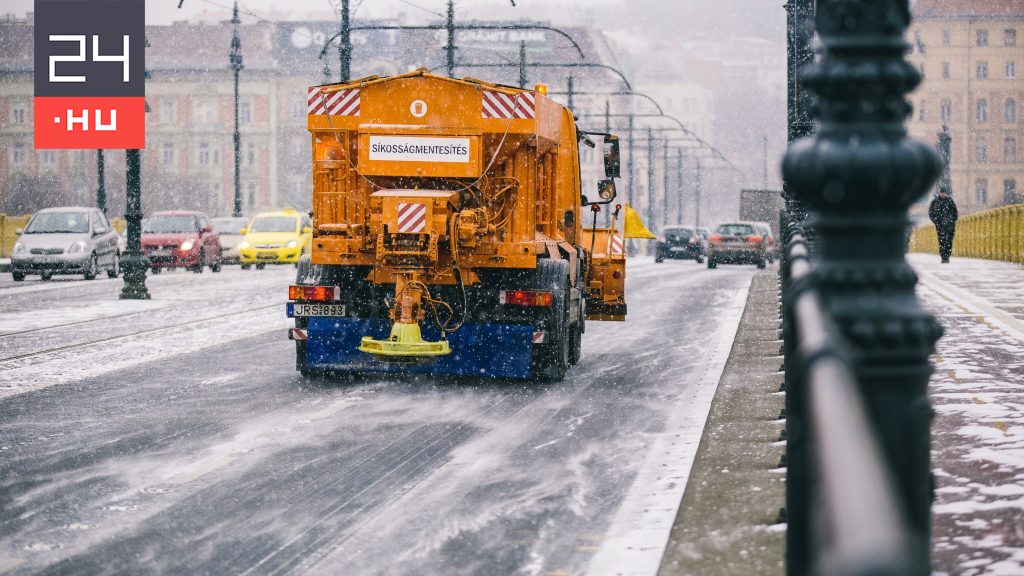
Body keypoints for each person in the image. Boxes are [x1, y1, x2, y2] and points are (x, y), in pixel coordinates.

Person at [928, 187, 958, 263]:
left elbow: (955, 212)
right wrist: (936, 221)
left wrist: (952, 221)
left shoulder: (950, 201)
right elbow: (930, 213)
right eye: (942, 192)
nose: (943, 194)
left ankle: (947, 256)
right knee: (942, 241)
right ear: (940, 193)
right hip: (940, 225)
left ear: (946, 193)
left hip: (950, 225)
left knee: (949, 241)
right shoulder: (935, 202)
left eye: (944, 192)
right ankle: (943, 257)